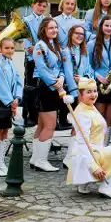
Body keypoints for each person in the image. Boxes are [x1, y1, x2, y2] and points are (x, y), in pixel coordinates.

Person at [65, 77, 111, 198]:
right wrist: (93, 166)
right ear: (80, 95)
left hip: (94, 151)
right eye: (89, 92)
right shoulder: (83, 113)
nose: (93, 95)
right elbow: (82, 143)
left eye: (95, 91)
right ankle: (107, 186)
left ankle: (84, 183)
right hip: (89, 154)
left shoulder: (89, 107)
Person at [31, 17, 76, 172]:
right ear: (43, 29)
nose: (54, 31)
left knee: (42, 125)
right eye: (51, 28)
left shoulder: (55, 45)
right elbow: (42, 68)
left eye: (55, 28)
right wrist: (55, 83)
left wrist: (62, 77)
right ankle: (41, 160)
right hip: (45, 87)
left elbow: (60, 66)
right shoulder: (40, 45)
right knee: (49, 125)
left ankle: (35, 158)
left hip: (54, 86)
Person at [0, 37, 22, 176]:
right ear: (0, 49)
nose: (10, 50)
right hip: (0, 101)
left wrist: (17, 98)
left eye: (12, 48)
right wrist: (10, 102)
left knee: (5, 131)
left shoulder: (11, 63)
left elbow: (19, 80)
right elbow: (0, 85)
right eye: (6, 48)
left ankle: (0, 161)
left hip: (11, 101)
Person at [88, 16, 111, 142]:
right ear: (101, 27)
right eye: (106, 25)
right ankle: (96, 143)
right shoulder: (92, 44)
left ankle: (105, 145)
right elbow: (87, 65)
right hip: (99, 84)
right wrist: (97, 76)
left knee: (110, 118)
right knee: (99, 116)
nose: (109, 28)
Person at [22, 0, 49, 127]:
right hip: (31, 57)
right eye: (39, 5)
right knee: (30, 86)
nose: (41, 8)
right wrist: (29, 48)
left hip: (43, 57)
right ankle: (28, 115)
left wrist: (40, 47)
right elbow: (24, 36)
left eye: (44, 6)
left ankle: (39, 113)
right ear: (33, 5)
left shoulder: (47, 20)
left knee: (41, 87)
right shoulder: (26, 20)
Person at [62, 24, 94, 131]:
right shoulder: (66, 51)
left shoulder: (84, 51)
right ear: (71, 34)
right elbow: (68, 74)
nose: (80, 36)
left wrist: (85, 78)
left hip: (84, 88)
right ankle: (74, 144)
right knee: (77, 122)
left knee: (83, 121)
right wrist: (76, 93)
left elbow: (89, 69)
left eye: (82, 34)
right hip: (76, 91)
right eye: (77, 33)